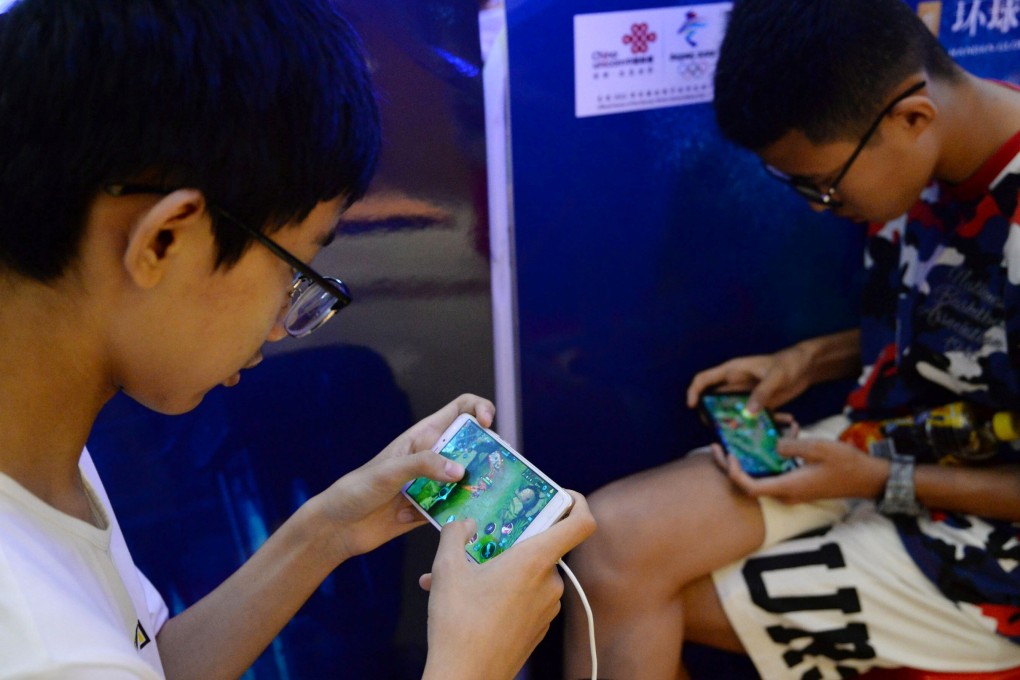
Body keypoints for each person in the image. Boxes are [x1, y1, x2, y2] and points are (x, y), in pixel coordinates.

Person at [0, 2, 595, 679]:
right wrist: (474, 660)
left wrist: (327, 530)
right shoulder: (33, 641)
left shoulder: (35, 449)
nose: (284, 325)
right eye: (295, 269)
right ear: (166, 239)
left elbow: (146, 666)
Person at [563, 0, 1020, 678]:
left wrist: (883, 481)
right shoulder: (927, 129)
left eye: (826, 188)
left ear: (913, 119)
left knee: (645, 600)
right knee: (604, 555)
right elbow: (977, 330)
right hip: (893, 439)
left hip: (991, 550)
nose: (816, 207)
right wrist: (809, 359)